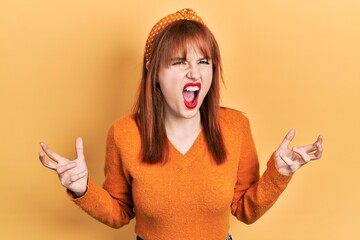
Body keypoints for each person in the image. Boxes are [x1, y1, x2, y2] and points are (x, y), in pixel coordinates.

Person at [39, 8, 323, 240]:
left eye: (203, 62)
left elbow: (245, 210)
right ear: (154, 71)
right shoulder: (124, 133)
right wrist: (81, 188)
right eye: (178, 62)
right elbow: (120, 213)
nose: (194, 73)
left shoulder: (235, 127)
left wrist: (279, 173)